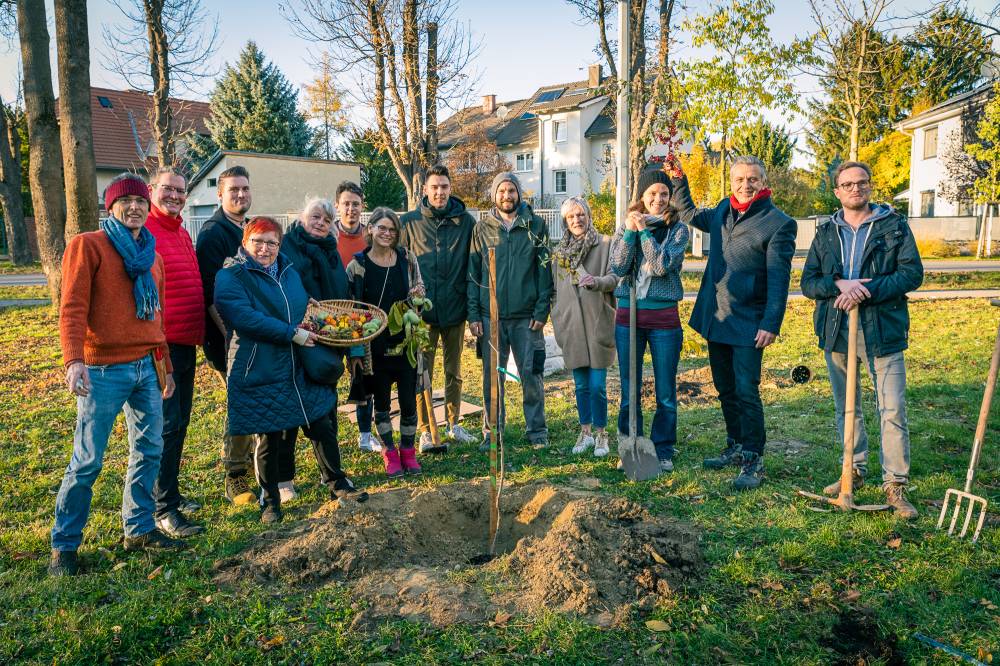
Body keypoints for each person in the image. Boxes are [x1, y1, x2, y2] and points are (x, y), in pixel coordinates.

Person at [50, 173, 185, 576]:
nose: (135, 207)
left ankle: (139, 528)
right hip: (101, 370)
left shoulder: (153, 256)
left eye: (141, 202)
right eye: (125, 201)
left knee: (149, 450)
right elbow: (72, 307)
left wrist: (166, 367)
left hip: (147, 366)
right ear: (110, 207)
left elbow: (156, 317)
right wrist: (74, 360)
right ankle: (65, 545)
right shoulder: (88, 246)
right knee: (88, 459)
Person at [214, 217, 368, 524]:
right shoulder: (231, 276)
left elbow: (296, 304)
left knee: (320, 422)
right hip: (261, 364)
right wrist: (289, 332)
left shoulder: (287, 269)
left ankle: (337, 483)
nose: (265, 248)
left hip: (298, 362)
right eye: (258, 241)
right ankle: (269, 500)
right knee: (271, 433)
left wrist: (307, 311)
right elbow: (244, 317)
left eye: (272, 242)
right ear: (245, 242)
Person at [801, 161, 923, 519]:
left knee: (892, 408)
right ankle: (851, 469)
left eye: (862, 183)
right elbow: (809, 282)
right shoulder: (826, 232)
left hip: (882, 329)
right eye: (847, 184)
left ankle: (895, 484)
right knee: (847, 406)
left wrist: (864, 291)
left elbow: (911, 273)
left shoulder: (894, 227)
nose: (855, 189)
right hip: (837, 328)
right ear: (837, 191)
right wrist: (839, 285)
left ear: (870, 187)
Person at [671, 156, 797, 490]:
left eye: (752, 179)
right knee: (725, 388)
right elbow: (687, 213)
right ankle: (736, 446)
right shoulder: (723, 210)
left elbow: (779, 279)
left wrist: (771, 323)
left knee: (746, 390)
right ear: (731, 181)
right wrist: (678, 178)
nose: (745, 184)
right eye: (739, 179)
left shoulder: (778, 223)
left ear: (763, 180)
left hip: (749, 322)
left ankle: (754, 458)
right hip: (717, 318)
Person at [276, 197, 355, 502]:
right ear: (302, 217)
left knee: (324, 411)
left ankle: (332, 474)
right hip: (294, 340)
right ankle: (284, 479)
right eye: (316, 217)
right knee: (288, 413)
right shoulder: (287, 246)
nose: (321, 223)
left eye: (326, 219)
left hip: (327, 340)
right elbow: (281, 286)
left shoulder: (331, 251)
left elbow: (341, 293)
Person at [609, 170, 689, 473]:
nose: (658, 199)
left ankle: (663, 447)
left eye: (664, 194)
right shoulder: (625, 226)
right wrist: (630, 232)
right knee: (630, 387)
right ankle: (629, 444)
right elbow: (617, 265)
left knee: (665, 390)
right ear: (642, 196)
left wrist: (643, 234)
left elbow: (660, 266)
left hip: (664, 320)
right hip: (628, 317)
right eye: (652, 194)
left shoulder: (677, 231)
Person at [468, 172, 554, 450]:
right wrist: (474, 314)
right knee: (493, 377)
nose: (507, 196)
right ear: (494, 195)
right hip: (489, 316)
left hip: (526, 318)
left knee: (531, 374)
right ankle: (493, 433)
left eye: (511, 190)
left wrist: (542, 311)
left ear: (519, 194)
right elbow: (473, 274)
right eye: (501, 191)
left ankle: (537, 431)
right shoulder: (482, 229)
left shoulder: (535, 226)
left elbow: (544, 272)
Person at [144, 167, 205, 538]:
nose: (174, 196)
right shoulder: (146, 233)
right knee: (166, 426)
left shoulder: (180, 230)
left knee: (180, 423)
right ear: (152, 190)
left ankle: (172, 492)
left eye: (180, 191)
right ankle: (161, 508)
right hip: (161, 347)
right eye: (167, 189)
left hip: (185, 344)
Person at [400, 164, 478, 452]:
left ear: (450, 188)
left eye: (444, 187)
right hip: (423, 315)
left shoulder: (465, 222)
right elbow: (400, 264)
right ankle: (425, 428)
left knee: (454, 370)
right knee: (423, 372)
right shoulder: (409, 222)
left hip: (455, 309)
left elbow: (473, 265)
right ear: (425, 190)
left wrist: (472, 310)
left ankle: (453, 423)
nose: (439, 192)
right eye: (434, 187)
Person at [195, 165, 258, 505]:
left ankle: (257, 465)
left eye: (245, 189)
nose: (240, 195)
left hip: (254, 336)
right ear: (219, 194)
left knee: (254, 400)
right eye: (233, 189)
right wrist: (235, 337)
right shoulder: (213, 234)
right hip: (228, 341)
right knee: (241, 404)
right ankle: (236, 475)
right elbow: (210, 297)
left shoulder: (249, 230)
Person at [347, 208, 426, 477]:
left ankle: (408, 450)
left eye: (391, 229)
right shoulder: (357, 265)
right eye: (381, 228)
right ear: (370, 229)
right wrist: (355, 351)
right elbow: (352, 313)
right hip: (374, 347)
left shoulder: (407, 258)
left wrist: (417, 296)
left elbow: (420, 289)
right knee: (380, 402)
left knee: (407, 401)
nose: (386, 233)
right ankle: (389, 452)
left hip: (405, 343)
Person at [551, 196, 619, 458]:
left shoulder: (605, 244)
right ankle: (586, 431)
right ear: (565, 222)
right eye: (571, 217)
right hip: (572, 327)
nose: (577, 220)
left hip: (598, 321)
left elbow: (615, 278)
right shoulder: (559, 253)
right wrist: (558, 317)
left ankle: (602, 433)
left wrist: (598, 282)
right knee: (580, 385)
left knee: (598, 385)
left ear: (588, 216)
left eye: (581, 215)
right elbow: (554, 290)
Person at [333, 181, 378, 453]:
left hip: (361, 319)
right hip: (331, 318)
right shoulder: (328, 235)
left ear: (362, 208)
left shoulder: (369, 238)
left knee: (362, 373)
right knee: (329, 375)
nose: (350, 209)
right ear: (337, 205)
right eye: (346, 204)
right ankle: (329, 434)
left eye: (356, 204)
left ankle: (364, 434)